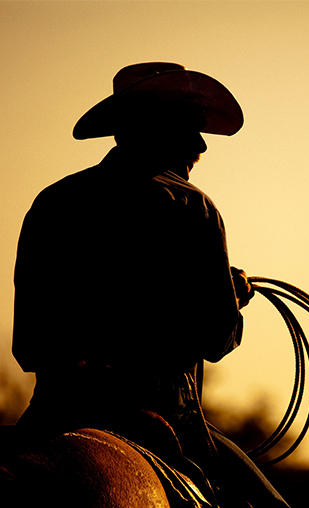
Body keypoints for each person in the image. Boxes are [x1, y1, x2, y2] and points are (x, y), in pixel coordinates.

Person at [12, 62, 289, 507]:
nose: (201, 144)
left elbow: (28, 344)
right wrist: (231, 297)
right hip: (158, 414)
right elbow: (215, 337)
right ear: (159, 130)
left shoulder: (51, 201)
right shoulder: (191, 205)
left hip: (51, 411)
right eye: (190, 128)